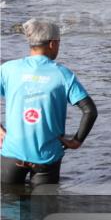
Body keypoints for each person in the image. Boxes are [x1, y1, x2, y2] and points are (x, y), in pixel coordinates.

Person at [0, 19, 98, 186]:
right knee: (44, 210)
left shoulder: (8, 69)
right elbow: (90, 111)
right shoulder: (63, 74)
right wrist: (76, 141)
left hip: (12, 154)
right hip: (47, 158)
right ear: (52, 44)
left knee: (9, 205)